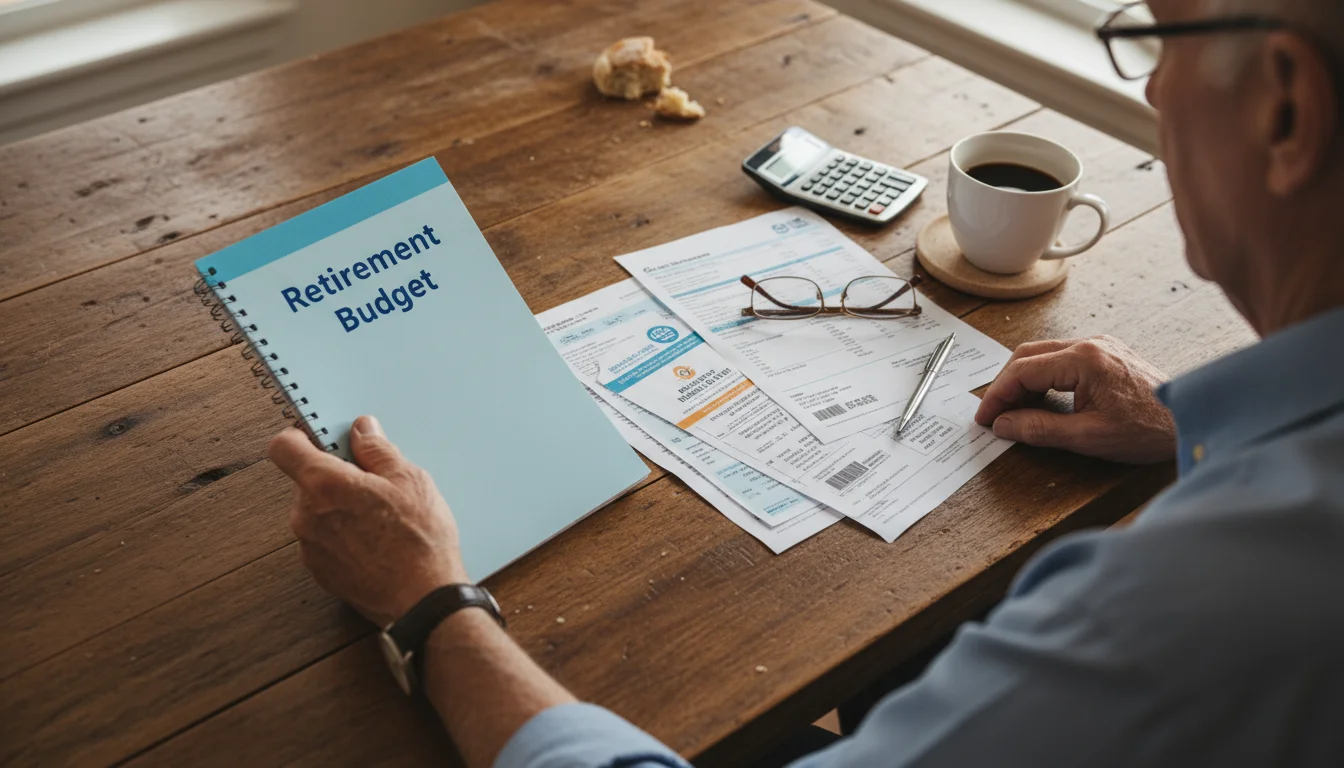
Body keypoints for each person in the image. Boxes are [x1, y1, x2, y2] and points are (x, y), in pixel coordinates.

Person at [265, 0, 1344, 765]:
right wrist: (1181, 422)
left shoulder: (1191, 615)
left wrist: (430, 605)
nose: (1152, 84)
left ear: (1288, 110)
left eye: (1161, 31)